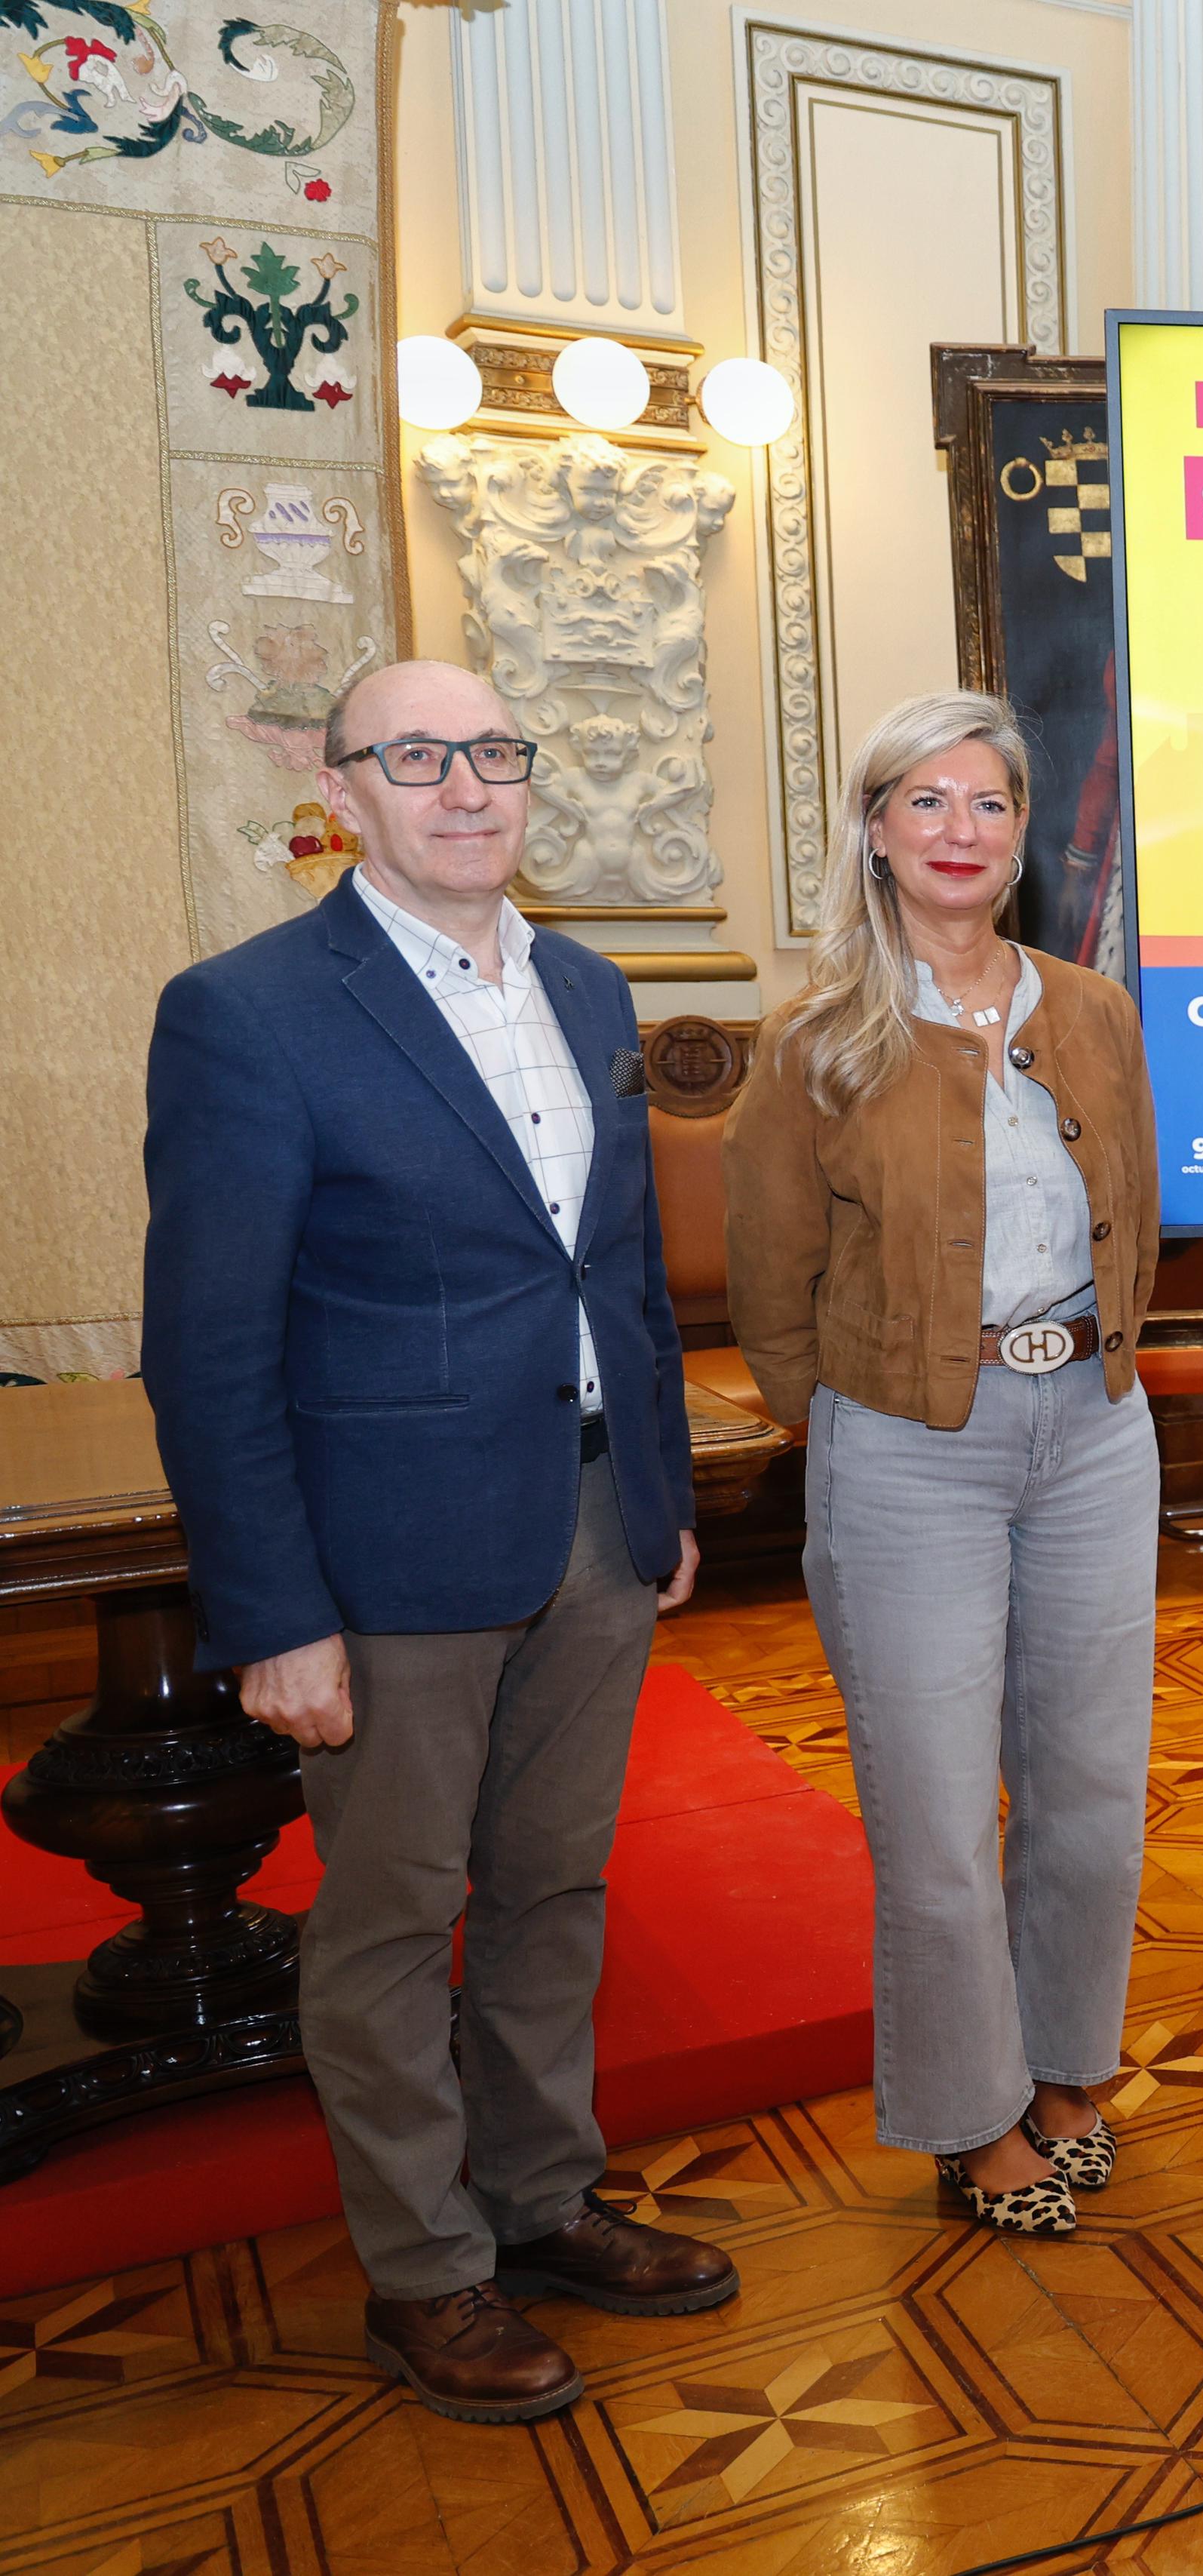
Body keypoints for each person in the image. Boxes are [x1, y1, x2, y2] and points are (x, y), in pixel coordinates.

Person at [140, 659, 723, 2424]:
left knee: (553, 1884)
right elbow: (210, 1344)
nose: (464, 786)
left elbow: (620, 1269)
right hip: (384, 1555)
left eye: (490, 752)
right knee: (392, 1916)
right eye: (416, 756)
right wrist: (272, 1612)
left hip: (594, 1521)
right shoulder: (246, 1012)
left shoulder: (587, 984)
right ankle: (425, 2272)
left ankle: (541, 2199)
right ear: (345, 794)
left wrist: (662, 1494)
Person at [723, 690, 1165, 2239]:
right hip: (909, 1445)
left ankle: (1064, 2070)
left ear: (1023, 832)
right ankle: (972, 2119)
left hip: (1096, 1429)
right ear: (876, 831)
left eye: (988, 803)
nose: (960, 831)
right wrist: (844, 1419)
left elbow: (1139, 1211)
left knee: (1091, 1790)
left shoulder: (1091, 1009)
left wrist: (1099, 1357)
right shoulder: (817, 1037)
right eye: (925, 801)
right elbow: (770, 1278)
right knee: (934, 1813)